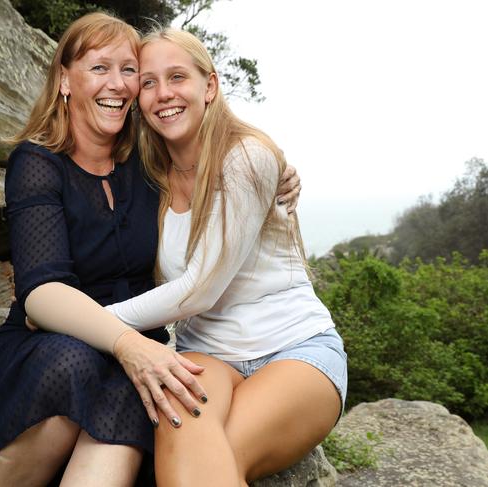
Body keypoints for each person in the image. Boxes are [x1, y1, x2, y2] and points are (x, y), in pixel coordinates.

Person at [0, 13, 301, 487]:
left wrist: (276, 170)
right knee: (78, 363)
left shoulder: (145, 161)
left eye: (129, 70)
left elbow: (215, 155)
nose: (119, 84)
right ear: (64, 79)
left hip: (139, 345)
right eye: (99, 68)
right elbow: (41, 293)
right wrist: (128, 343)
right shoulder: (38, 163)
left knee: (140, 390)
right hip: (48, 343)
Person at [101, 28, 348, 487]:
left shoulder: (247, 157)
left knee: (209, 458)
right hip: (207, 356)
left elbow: (201, 288)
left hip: (295, 349)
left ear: (209, 85)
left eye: (177, 77)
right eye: (149, 82)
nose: (164, 94)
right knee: (183, 435)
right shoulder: (148, 175)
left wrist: (93, 322)